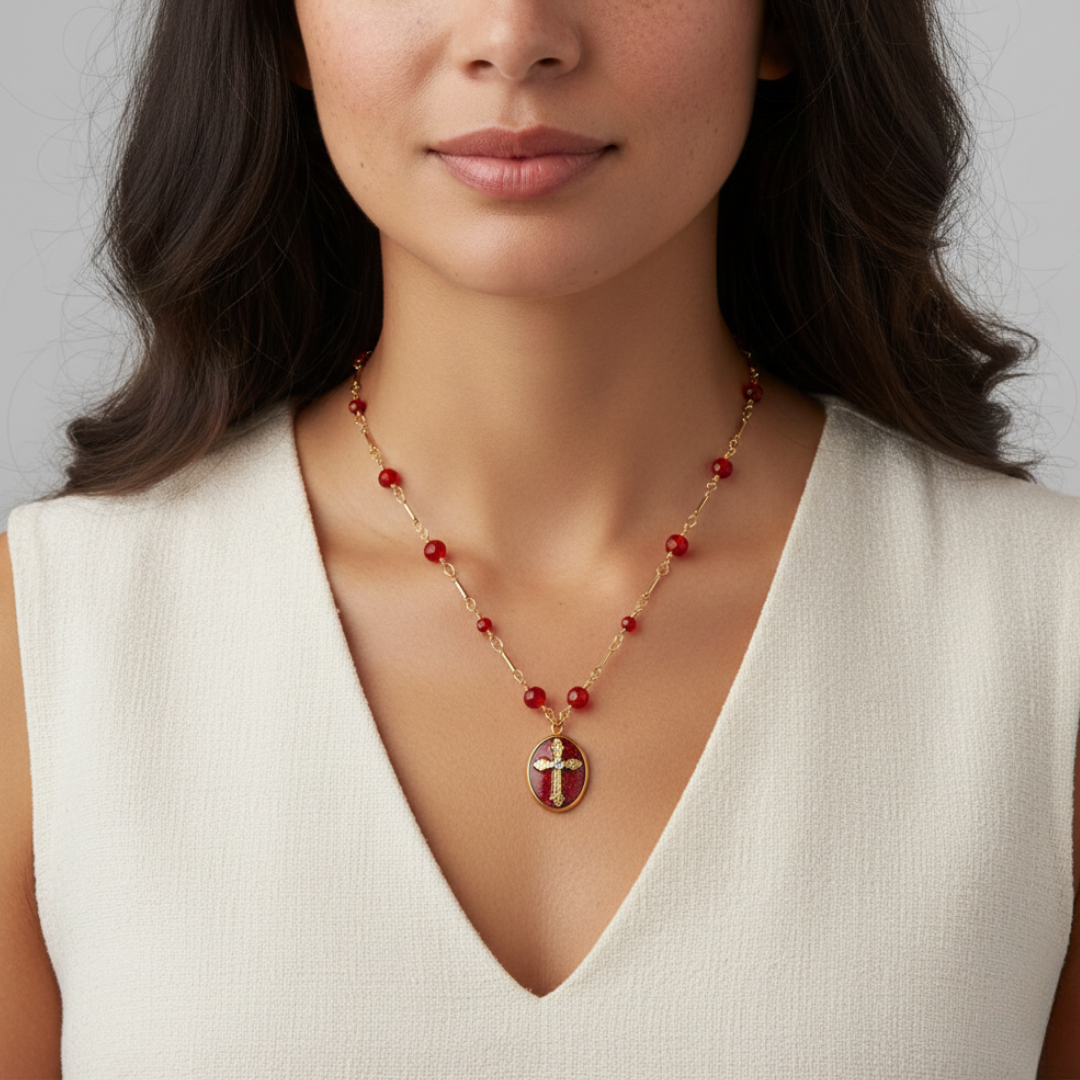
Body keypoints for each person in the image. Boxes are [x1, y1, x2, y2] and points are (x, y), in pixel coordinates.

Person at [1, 0, 1077, 1074]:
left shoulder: (1043, 628)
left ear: (787, 22)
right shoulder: (52, 645)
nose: (514, 36)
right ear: (282, 28)